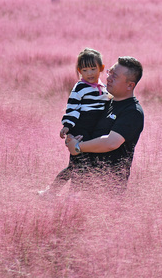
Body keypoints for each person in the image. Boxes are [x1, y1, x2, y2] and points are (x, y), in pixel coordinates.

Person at [66, 56, 144, 192]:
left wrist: (78, 147)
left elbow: (111, 143)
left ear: (130, 85)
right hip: (82, 186)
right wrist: (71, 137)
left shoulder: (133, 112)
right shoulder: (104, 102)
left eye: (115, 76)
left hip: (107, 190)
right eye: (110, 73)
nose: (108, 78)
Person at [40, 48, 110, 195]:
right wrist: (67, 126)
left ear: (101, 68)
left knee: (83, 166)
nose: (89, 73)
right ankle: (61, 194)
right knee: (76, 167)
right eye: (85, 70)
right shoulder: (79, 88)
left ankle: (68, 195)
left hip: (94, 131)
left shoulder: (103, 88)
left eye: (93, 69)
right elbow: (72, 108)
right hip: (80, 129)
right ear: (79, 71)